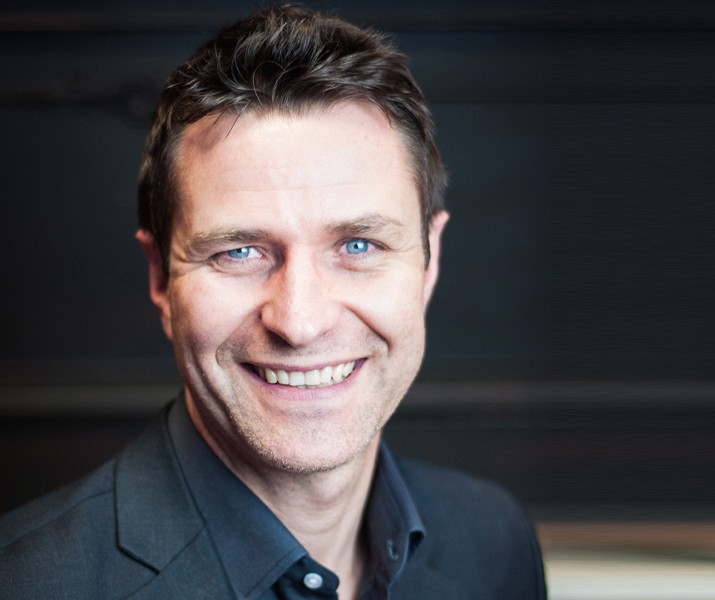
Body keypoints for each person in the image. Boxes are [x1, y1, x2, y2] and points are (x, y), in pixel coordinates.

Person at [0, 6, 546, 599]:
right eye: (239, 252)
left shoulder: (494, 543)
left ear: (428, 263)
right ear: (161, 278)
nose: (300, 322)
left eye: (358, 245)